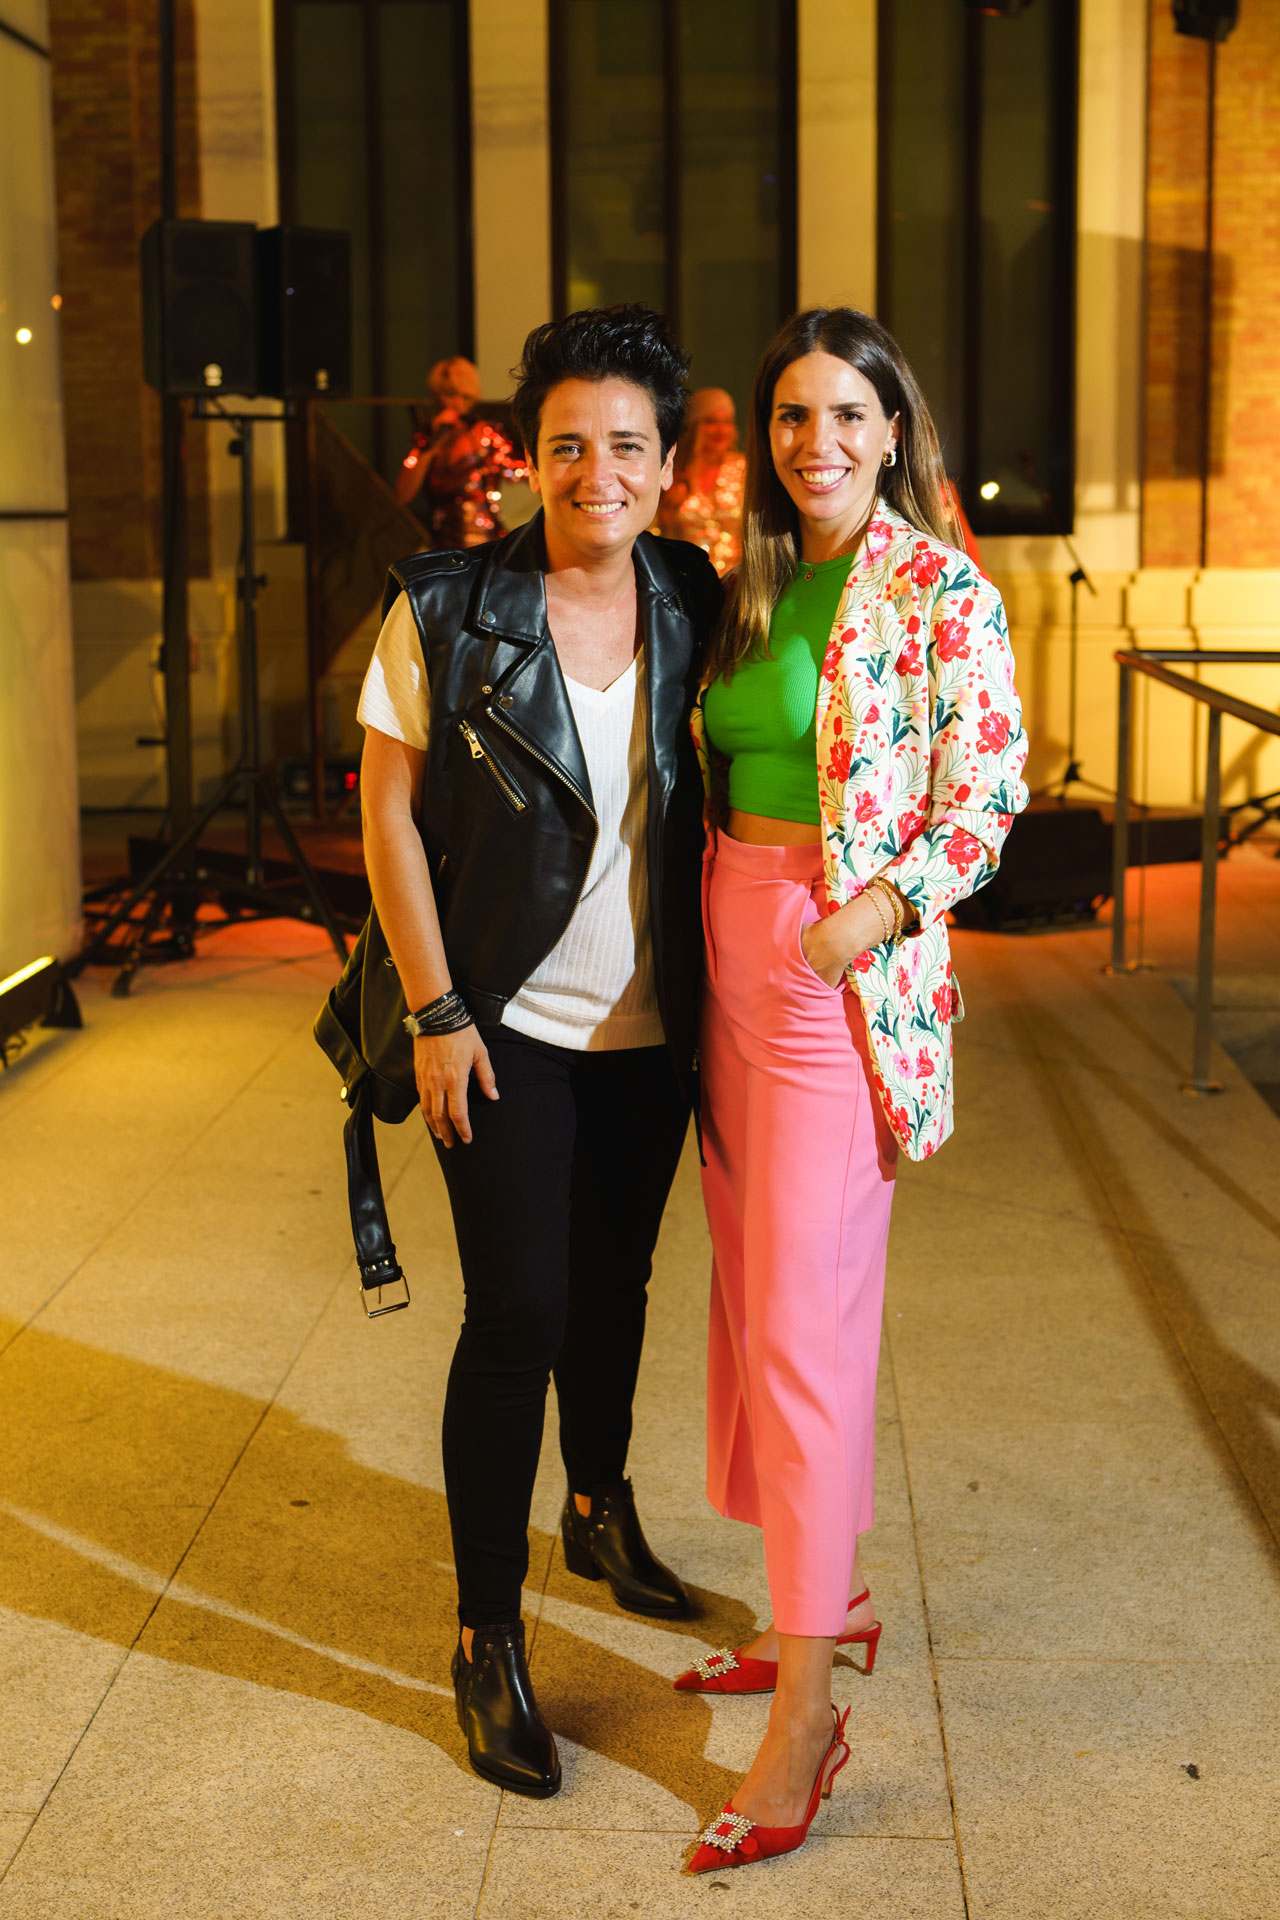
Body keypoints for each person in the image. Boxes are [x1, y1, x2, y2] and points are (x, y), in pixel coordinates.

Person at [677, 308, 1028, 1874]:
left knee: (807, 1329)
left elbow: (990, 791)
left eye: (845, 414)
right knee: (751, 1303)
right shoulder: (752, 578)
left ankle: (808, 1715)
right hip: (725, 951)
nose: (815, 441)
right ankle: (820, 1607)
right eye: (791, 415)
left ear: (894, 431)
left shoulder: (938, 586)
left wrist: (864, 917)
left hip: (830, 965)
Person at [357, 306, 722, 1800]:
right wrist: (438, 1013)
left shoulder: (693, 594)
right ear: (531, 456)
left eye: (627, 445)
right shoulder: (448, 607)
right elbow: (386, 814)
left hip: (652, 1030)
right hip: (503, 1023)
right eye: (569, 445)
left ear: (667, 462)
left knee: (615, 1286)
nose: (598, 472)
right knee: (519, 1312)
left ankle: (597, 1504)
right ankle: (486, 1634)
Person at [395, 355, 526, 548]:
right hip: (444, 543)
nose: (457, 403)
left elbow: (522, 471)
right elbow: (403, 494)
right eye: (450, 394)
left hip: (488, 541)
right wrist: (431, 445)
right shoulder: (427, 437)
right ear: (436, 395)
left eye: (465, 397)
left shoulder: (486, 433)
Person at [656, 386, 746, 575]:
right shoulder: (673, 471)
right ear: (694, 425)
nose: (721, 430)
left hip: (736, 582)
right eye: (711, 421)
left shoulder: (745, 470)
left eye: (727, 422)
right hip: (685, 580)